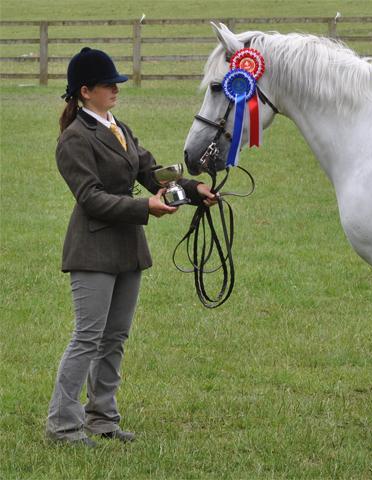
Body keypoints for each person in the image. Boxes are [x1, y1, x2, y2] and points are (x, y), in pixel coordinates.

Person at [46, 47, 216, 447]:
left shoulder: (116, 126)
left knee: (115, 337)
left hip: (126, 248)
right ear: (85, 91)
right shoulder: (74, 139)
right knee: (87, 338)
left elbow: (149, 171)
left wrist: (193, 190)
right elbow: (90, 198)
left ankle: (102, 419)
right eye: (109, 85)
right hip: (92, 251)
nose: (116, 90)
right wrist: (146, 206)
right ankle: (62, 425)